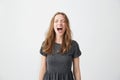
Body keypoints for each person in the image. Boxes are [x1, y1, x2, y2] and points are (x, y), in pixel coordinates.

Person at [39, 12, 82, 80]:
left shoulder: (73, 45)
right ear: (53, 25)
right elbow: (42, 68)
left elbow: (76, 71)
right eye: (56, 21)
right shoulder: (46, 44)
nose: (59, 23)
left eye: (63, 21)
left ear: (66, 25)